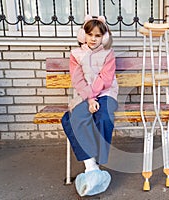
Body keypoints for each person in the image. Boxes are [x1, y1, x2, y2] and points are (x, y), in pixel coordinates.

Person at [61, 15, 118, 197]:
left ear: (105, 37)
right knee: (74, 117)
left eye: (98, 35)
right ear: (83, 35)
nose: (94, 39)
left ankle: (99, 160)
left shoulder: (108, 54)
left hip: (106, 93)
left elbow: (106, 79)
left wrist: (95, 97)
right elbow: (77, 79)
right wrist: (89, 98)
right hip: (84, 94)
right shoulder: (76, 54)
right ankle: (90, 165)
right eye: (90, 34)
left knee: (104, 117)